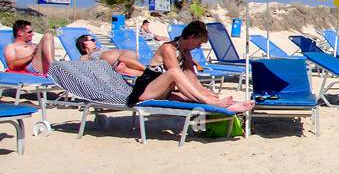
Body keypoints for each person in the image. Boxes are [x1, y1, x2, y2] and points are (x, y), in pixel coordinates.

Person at [125, 21, 253, 112]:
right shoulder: (167, 48)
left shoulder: (185, 53)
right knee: (175, 72)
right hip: (144, 92)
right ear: (191, 37)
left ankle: (232, 105)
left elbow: (192, 78)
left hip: (164, 92)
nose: (198, 47)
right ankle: (211, 103)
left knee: (198, 95)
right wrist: (203, 97)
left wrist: (205, 92)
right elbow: (177, 76)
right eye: (198, 43)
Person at [75, 33, 148, 76]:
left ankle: (148, 71)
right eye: (92, 40)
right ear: (85, 43)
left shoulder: (99, 49)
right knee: (124, 69)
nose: (95, 42)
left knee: (122, 59)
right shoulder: (85, 57)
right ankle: (149, 75)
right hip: (118, 65)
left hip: (125, 55)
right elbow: (80, 68)